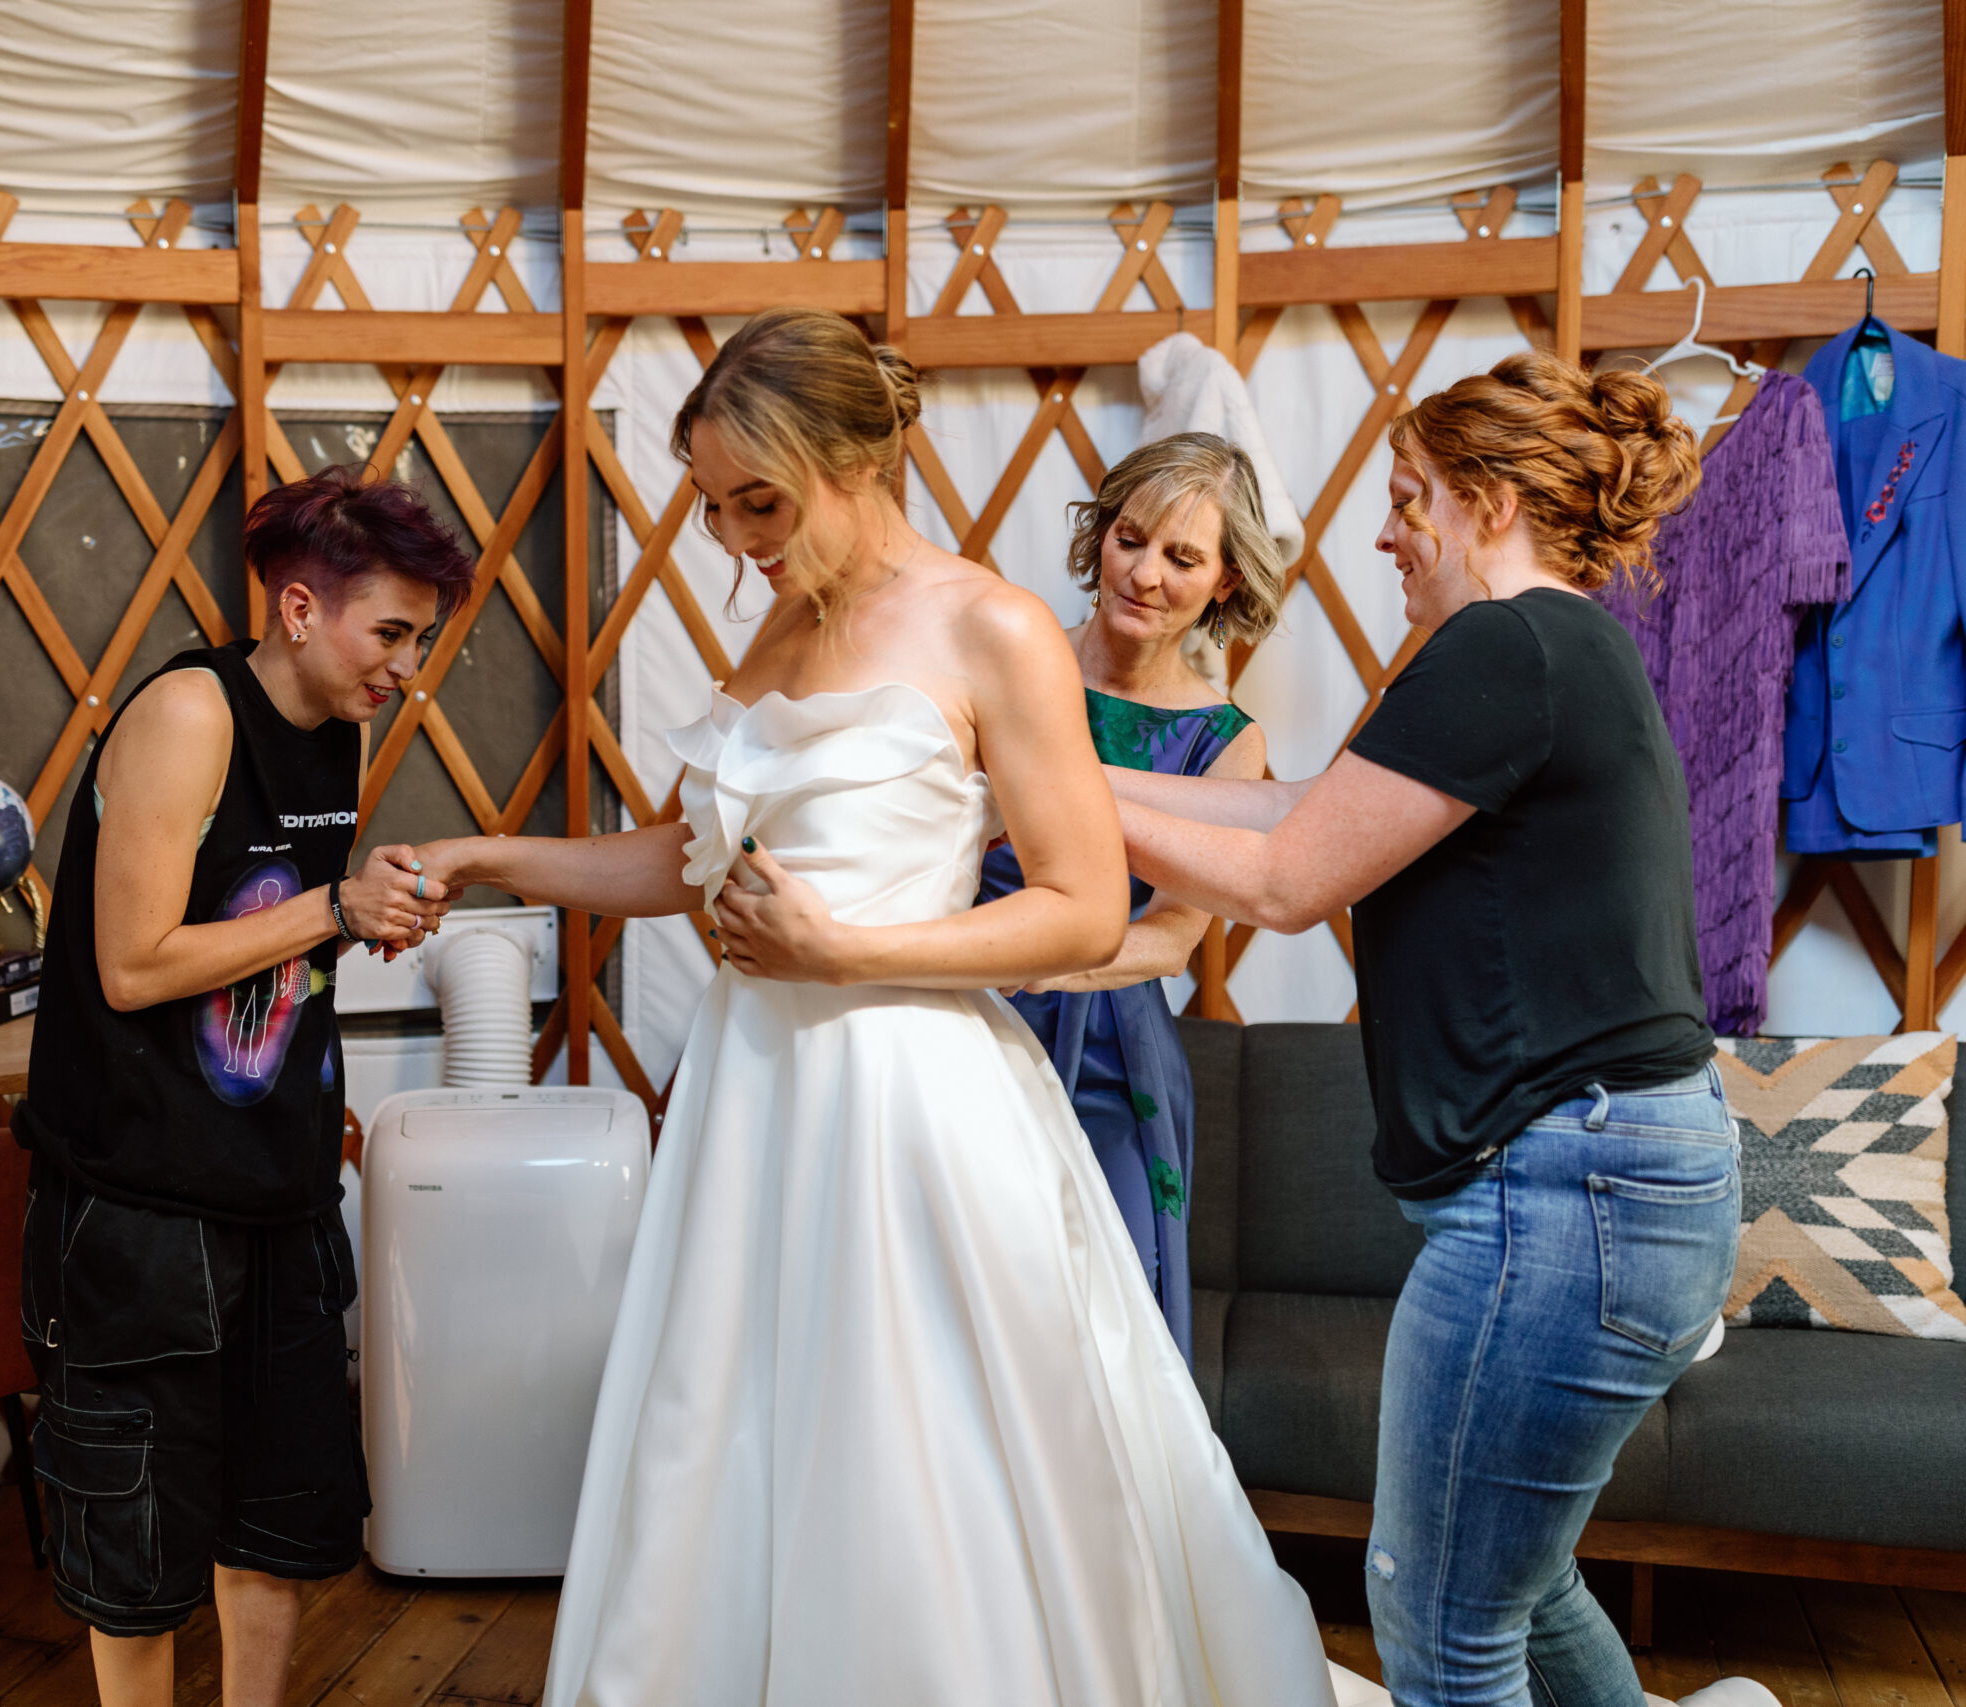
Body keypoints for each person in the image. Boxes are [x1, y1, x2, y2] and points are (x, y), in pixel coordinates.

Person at [413, 307, 1370, 1707]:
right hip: (753, 1098)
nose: (734, 537)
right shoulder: (781, 627)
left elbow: (1083, 908)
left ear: (858, 460)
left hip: (911, 1098)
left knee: (917, 1447)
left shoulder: (994, 627)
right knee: (732, 1436)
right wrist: (486, 856)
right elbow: (678, 861)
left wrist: (842, 951)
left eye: (761, 501)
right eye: (712, 506)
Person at [1102, 353, 1773, 1707]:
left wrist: (1049, 800)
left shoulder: (1504, 643)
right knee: (1524, 1588)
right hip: (1624, 1186)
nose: (1386, 532)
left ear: (1489, 502)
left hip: (1570, 1196)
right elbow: (1301, 809)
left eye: (1409, 498)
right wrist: (1065, 768)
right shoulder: (1557, 647)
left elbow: (1285, 881)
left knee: (1443, 1629)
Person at [14, 466, 472, 1707]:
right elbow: (131, 966)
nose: (406, 668)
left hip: (278, 1188)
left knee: (275, 1522)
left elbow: (269, 941)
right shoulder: (188, 714)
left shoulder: (340, 727)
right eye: (390, 633)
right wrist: (334, 909)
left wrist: (356, 932)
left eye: (422, 641)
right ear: (299, 610)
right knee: (139, 1544)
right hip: (143, 1204)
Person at [979, 431, 1282, 1351]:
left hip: (1110, 1039)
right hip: (966, 1004)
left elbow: (1175, 935)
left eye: (1183, 557)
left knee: (1104, 1317)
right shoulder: (1011, 659)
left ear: (1225, 581)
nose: (1145, 574)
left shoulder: (1225, 741)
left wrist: (1053, 959)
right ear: (1100, 535)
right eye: (1130, 538)